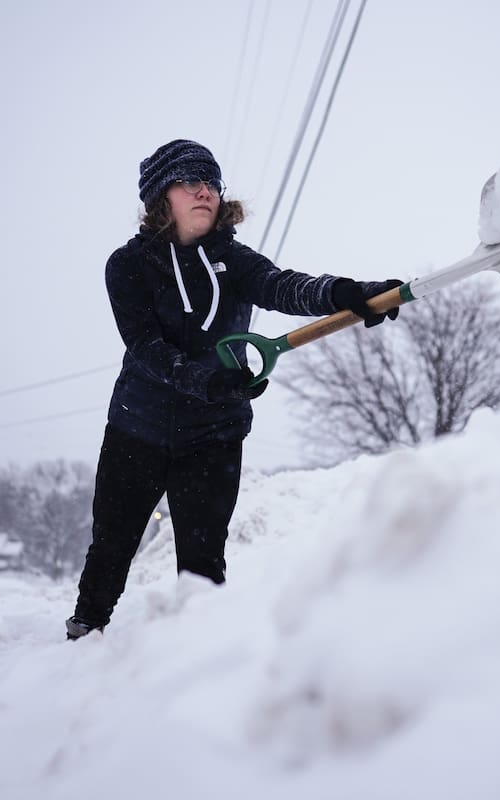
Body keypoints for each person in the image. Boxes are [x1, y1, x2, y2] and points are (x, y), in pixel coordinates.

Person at [66, 139, 401, 640]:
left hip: (214, 433)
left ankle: (199, 654)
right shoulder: (127, 265)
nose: (206, 191)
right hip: (138, 426)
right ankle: (83, 637)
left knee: (203, 558)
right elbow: (145, 347)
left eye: (212, 183)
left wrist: (348, 293)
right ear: (162, 195)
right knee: (113, 543)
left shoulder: (234, 259)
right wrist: (204, 378)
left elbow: (284, 286)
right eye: (191, 182)